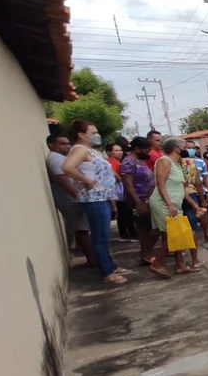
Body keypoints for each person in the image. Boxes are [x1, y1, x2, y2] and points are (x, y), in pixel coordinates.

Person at [60, 119, 127, 284]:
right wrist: (86, 180)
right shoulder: (80, 149)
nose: (97, 136)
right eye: (93, 133)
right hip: (93, 198)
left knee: (103, 236)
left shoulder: (91, 150)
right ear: (81, 135)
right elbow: (67, 167)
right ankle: (107, 272)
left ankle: (110, 265)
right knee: (99, 236)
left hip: (101, 197)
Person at [148, 137, 201, 276]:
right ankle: (157, 263)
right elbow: (160, 184)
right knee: (171, 235)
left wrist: (194, 205)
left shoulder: (176, 164)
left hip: (175, 203)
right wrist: (169, 204)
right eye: (184, 146)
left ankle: (180, 266)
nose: (187, 149)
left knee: (177, 234)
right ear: (176, 148)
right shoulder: (164, 161)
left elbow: (181, 188)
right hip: (164, 203)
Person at [45, 134, 94, 266]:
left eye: (68, 143)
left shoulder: (61, 157)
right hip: (70, 199)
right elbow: (64, 180)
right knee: (82, 229)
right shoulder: (55, 159)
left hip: (72, 198)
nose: (67, 146)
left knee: (82, 228)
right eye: (62, 143)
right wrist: (78, 197)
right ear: (51, 145)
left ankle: (92, 256)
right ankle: (92, 258)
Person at [121, 137, 159, 265]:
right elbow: (128, 183)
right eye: (145, 150)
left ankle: (147, 253)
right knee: (145, 228)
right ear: (137, 149)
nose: (147, 153)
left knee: (150, 228)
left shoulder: (139, 161)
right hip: (139, 200)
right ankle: (146, 255)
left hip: (147, 198)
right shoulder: (129, 162)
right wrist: (138, 201)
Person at [105, 141, 138, 242]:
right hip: (118, 190)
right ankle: (132, 234)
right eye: (116, 150)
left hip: (117, 190)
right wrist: (120, 178)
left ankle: (124, 234)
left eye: (120, 150)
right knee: (126, 212)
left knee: (123, 213)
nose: (119, 152)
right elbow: (112, 173)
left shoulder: (115, 161)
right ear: (109, 152)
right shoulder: (111, 162)